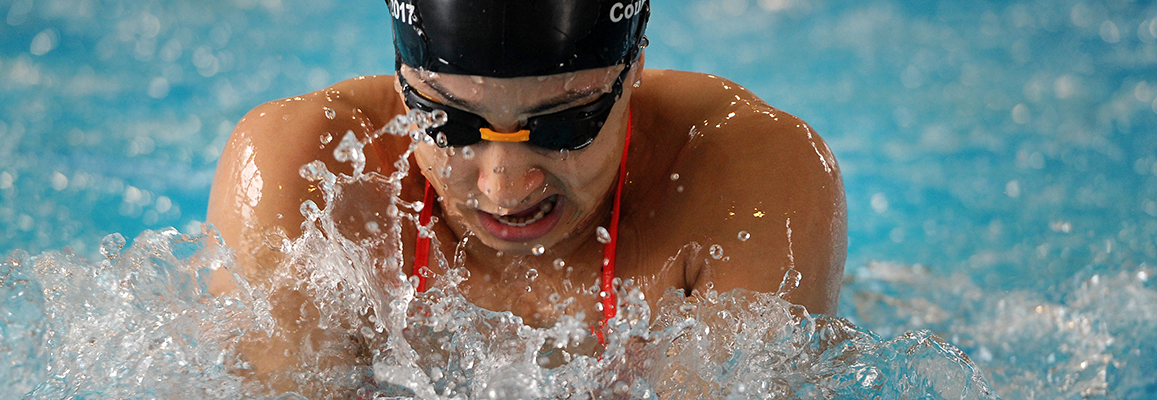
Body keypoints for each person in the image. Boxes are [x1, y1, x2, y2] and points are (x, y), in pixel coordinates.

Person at [206, 0, 845, 388]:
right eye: (447, 119)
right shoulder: (304, 179)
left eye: (564, 121)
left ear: (636, 69)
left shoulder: (746, 181)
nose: (504, 185)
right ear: (402, 83)